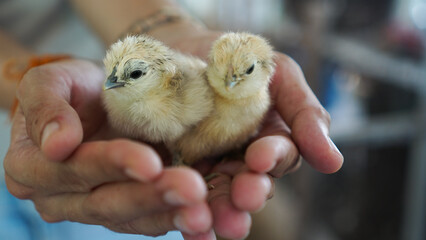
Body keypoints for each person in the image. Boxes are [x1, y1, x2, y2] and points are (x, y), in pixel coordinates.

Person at [0, 0, 344, 239]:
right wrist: (32, 83)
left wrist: (171, 29)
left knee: (163, 205)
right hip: (30, 145)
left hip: (126, 143)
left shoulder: (216, 88)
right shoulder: (152, 97)